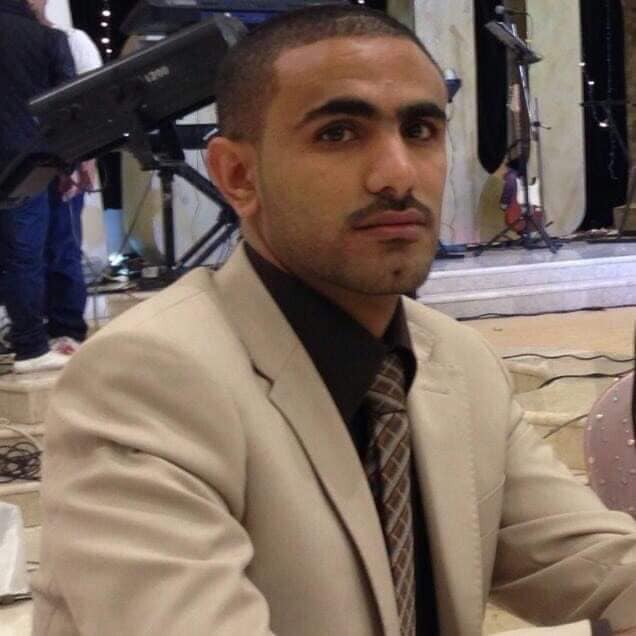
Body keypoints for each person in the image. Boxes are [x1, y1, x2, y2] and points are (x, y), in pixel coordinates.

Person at [33, 6, 636, 636]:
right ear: (238, 176)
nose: (398, 174)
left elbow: (600, 565)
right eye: (338, 134)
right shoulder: (148, 380)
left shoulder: (456, 360)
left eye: (420, 130)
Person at [0, 0, 84, 374]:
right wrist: (69, 164)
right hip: (25, 165)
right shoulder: (48, 39)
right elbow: (66, 110)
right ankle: (31, 347)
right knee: (24, 258)